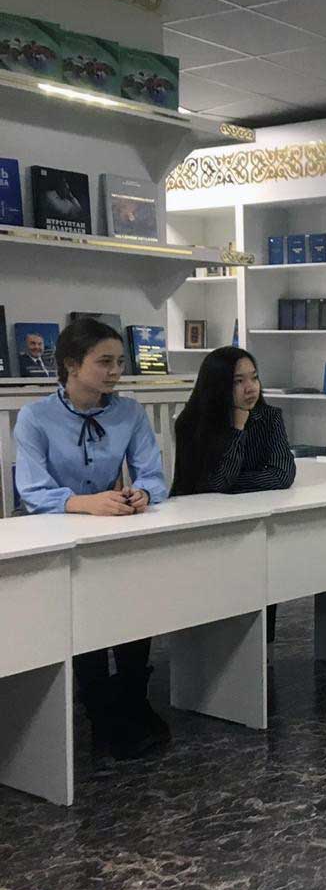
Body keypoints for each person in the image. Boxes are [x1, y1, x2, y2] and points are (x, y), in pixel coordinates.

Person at [13, 318, 170, 760]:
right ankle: (99, 709)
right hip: (54, 532)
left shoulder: (129, 413)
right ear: (71, 364)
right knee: (84, 616)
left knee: (132, 607)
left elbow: (153, 475)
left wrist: (142, 494)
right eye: (104, 362)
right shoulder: (35, 417)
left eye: (119, 362)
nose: (115, 371)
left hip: (112, 527)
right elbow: (32, 491)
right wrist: (84, 503)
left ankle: (134, 696)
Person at [171, 347, 296, 643]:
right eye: (238, 381)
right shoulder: (191, 423)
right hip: (200, 528)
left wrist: (228, 485)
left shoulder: (269, 418)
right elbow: (214, 483)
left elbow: (282, 474)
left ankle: (263, 650)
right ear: (218, 385)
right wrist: (238, 429)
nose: (250, 388)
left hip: (251, 520)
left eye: (254, 378)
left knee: (264, 572)